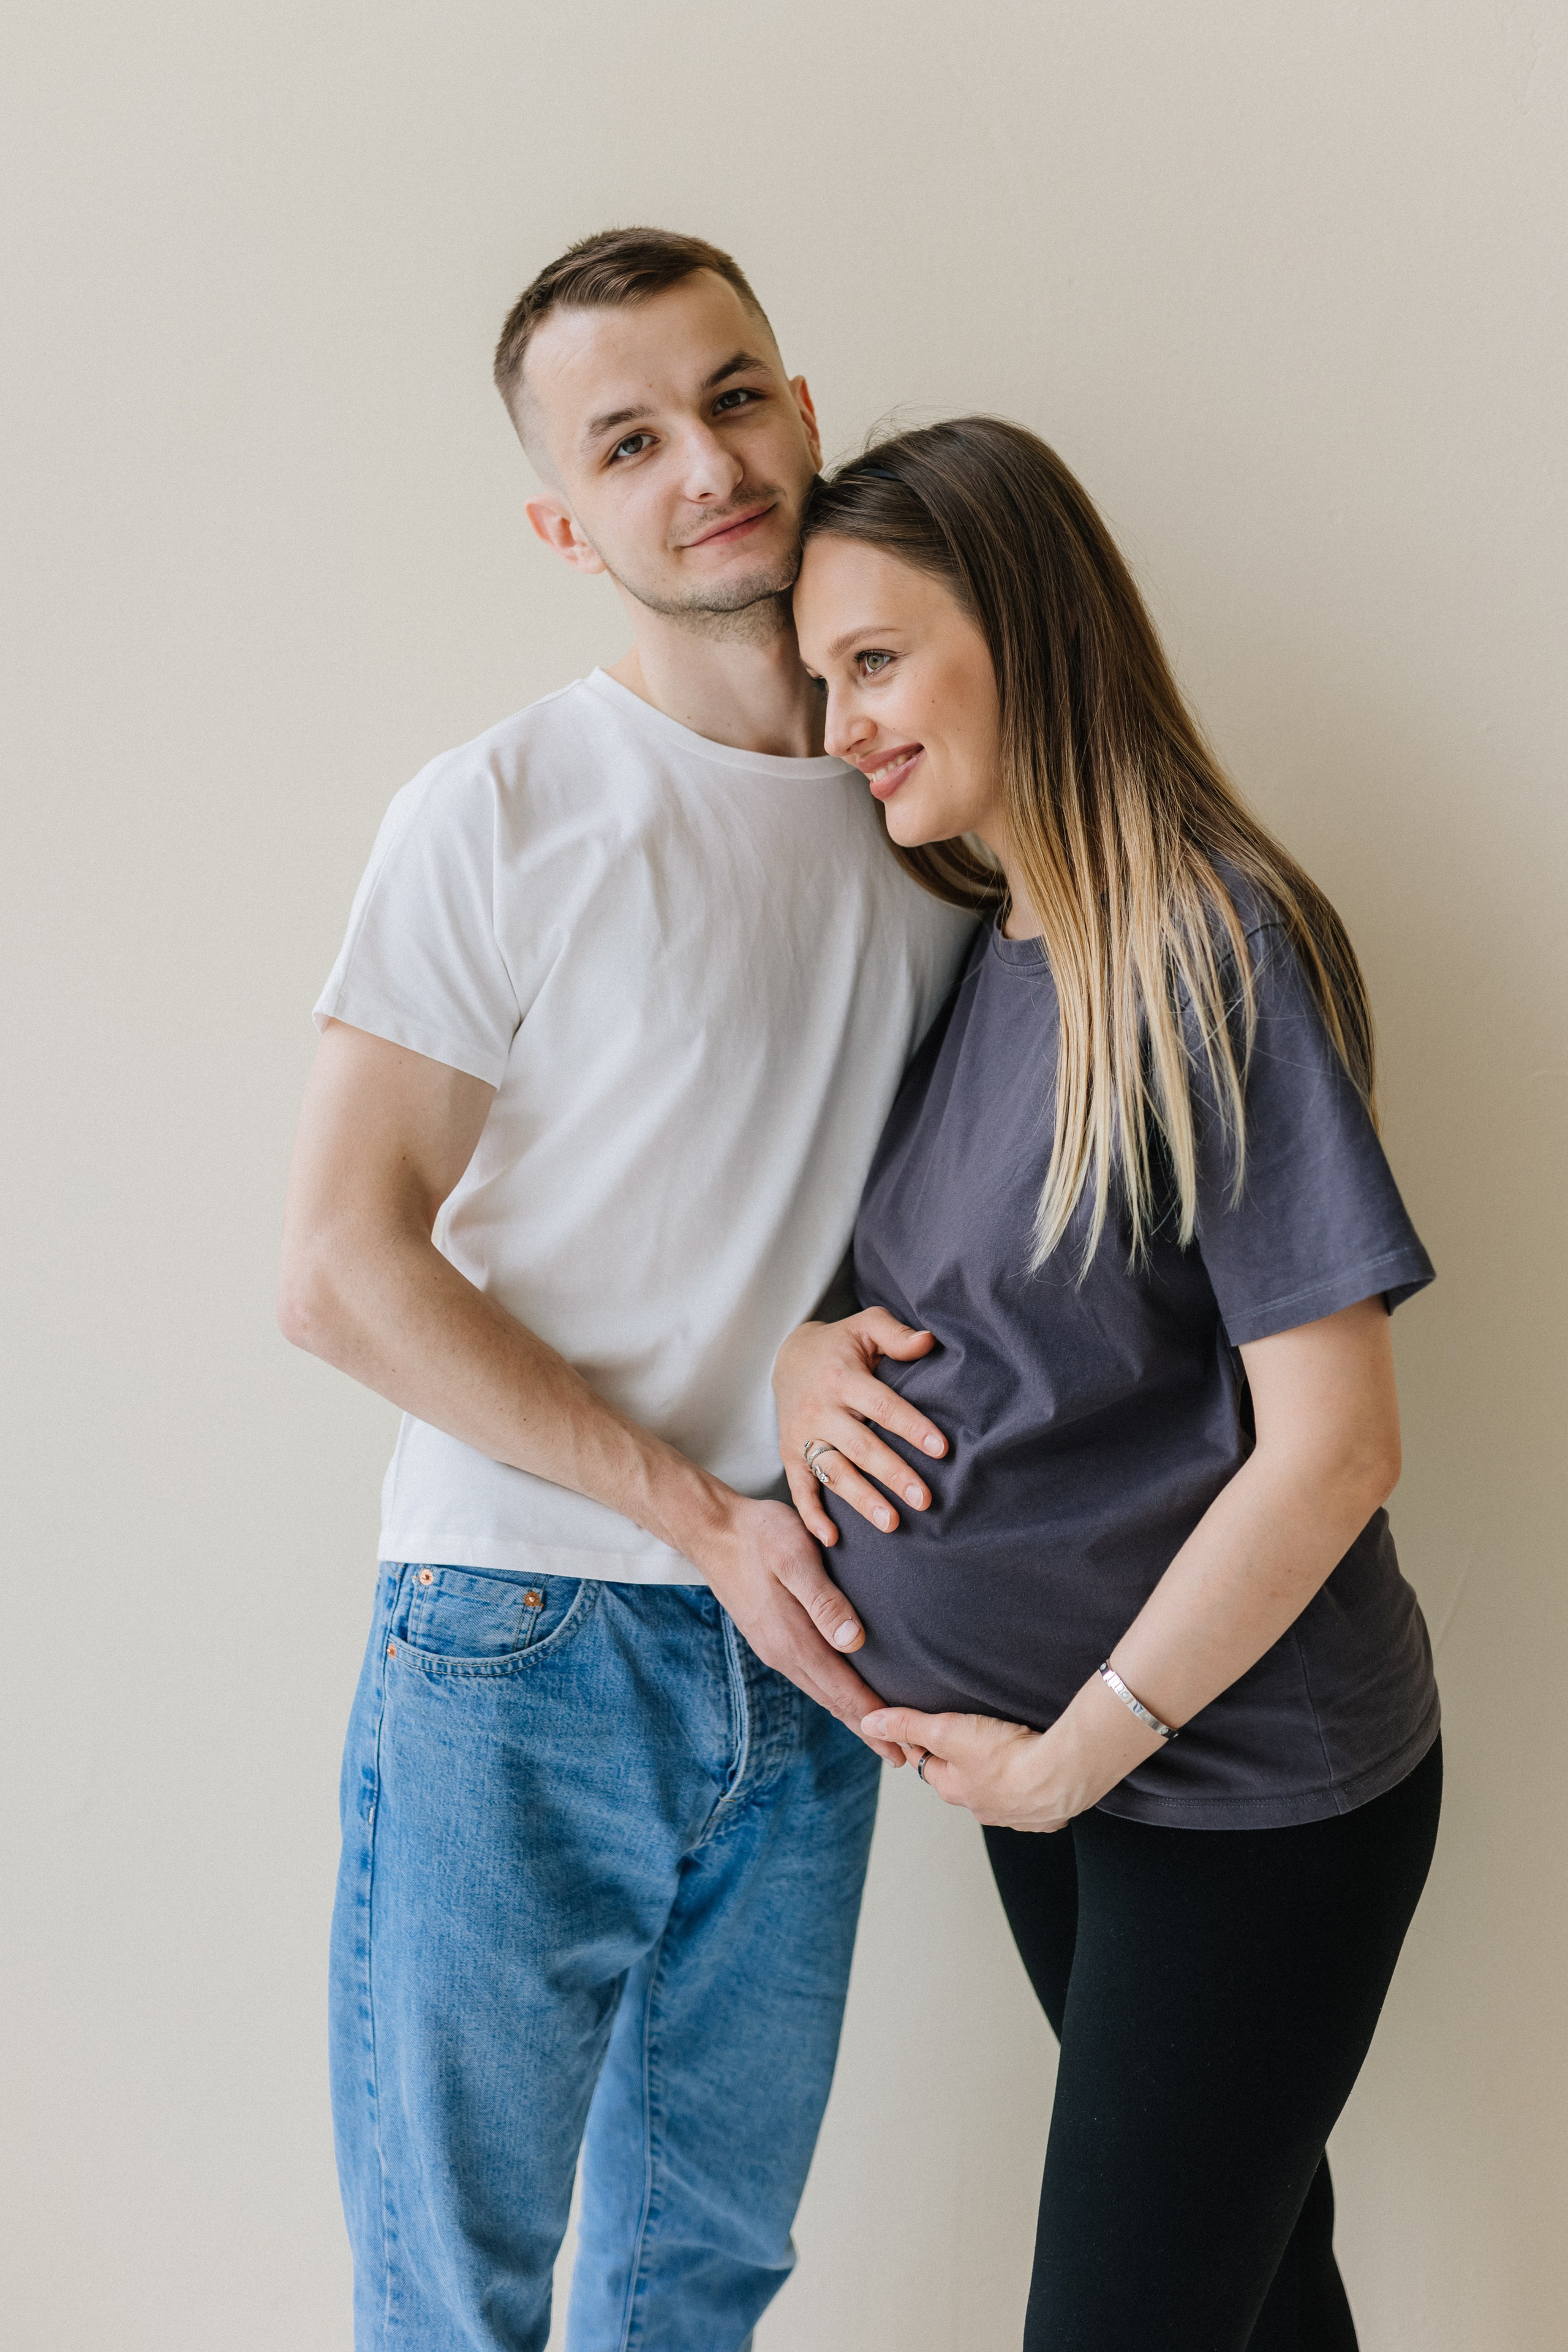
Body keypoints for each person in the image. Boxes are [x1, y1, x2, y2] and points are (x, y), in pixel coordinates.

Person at [276, 230, 973, 2352]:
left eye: (735, 396)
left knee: (701, 2284)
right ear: (562, 523)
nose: (709, 464)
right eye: (629, 441)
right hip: (525, 1629)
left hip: (814, 1637)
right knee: (455, 2292)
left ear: (805, 412)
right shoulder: (500, 811)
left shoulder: (932, 813)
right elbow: (338, 1267)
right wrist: (700, 1514)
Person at [777, 417, 1442, 2352]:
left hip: (1235, 1789)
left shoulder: (1207, 949)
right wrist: (801, 1353)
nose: (840, 729)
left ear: (1027, 626)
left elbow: (1339, 1448)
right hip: (1063, 1779)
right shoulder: (988, 948)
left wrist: (1079, 1755)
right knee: (1257, 2295)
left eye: (876, 662)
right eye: (822, 678)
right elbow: (975, 1302)